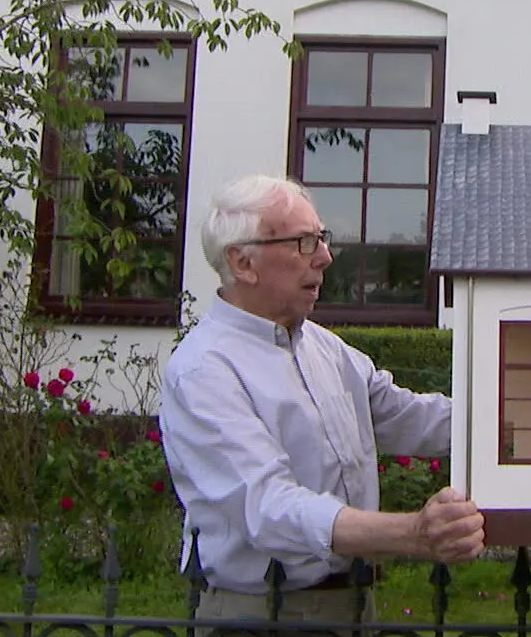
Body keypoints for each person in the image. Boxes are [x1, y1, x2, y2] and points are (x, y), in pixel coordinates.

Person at [159, 174, 485, 624]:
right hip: (263, 617)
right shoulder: (204, 371)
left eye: (322, 239)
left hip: (351, 604)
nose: (326, 257)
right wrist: (412, 533)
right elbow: (270, 507)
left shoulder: (327, 349)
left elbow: (405, 415)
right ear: (242, 263)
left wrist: (518, 417)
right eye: (304, 242)